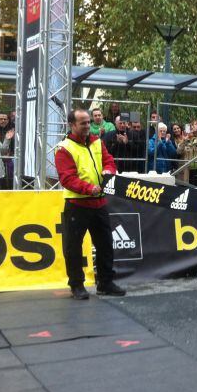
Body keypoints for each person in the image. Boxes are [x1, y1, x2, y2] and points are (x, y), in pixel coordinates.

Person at [54, 108, 124, 299]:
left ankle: (105, 283)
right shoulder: (64, 148)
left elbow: (109, 161)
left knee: (105, 245)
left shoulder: (97, 142)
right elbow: (67, 179)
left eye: (88, 121)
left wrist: (109, 171)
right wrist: (89, 188)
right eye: (83, 123)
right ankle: (76, 285)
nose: (87, 125)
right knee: (73, 247)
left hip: (99, 202)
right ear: (72, 125)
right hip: (77, 204)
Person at [175, 119, 197, 185]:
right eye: (188, 130)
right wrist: (184, 140)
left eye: (191, 129)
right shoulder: (182, 142)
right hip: (187, 171)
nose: (190, 132)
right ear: (184, 131)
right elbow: (178, 152)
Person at [0, 112, 15, 189]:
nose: (3, 121)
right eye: (0, 119)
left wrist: (11, 153)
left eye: (5, 119)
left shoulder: (12, 130)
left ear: (8, 120)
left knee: (10, 179)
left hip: (10, 158)